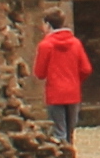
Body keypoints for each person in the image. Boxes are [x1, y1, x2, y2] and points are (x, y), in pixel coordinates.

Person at [31, 8, 95, 146]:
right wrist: (75, 81)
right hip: (73, 92)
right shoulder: (76, 43)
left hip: (55, 93)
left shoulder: (45, 45)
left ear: (48, 25)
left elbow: (40, 73)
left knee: (59, 132)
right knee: (70, 133)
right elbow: (86, 68)